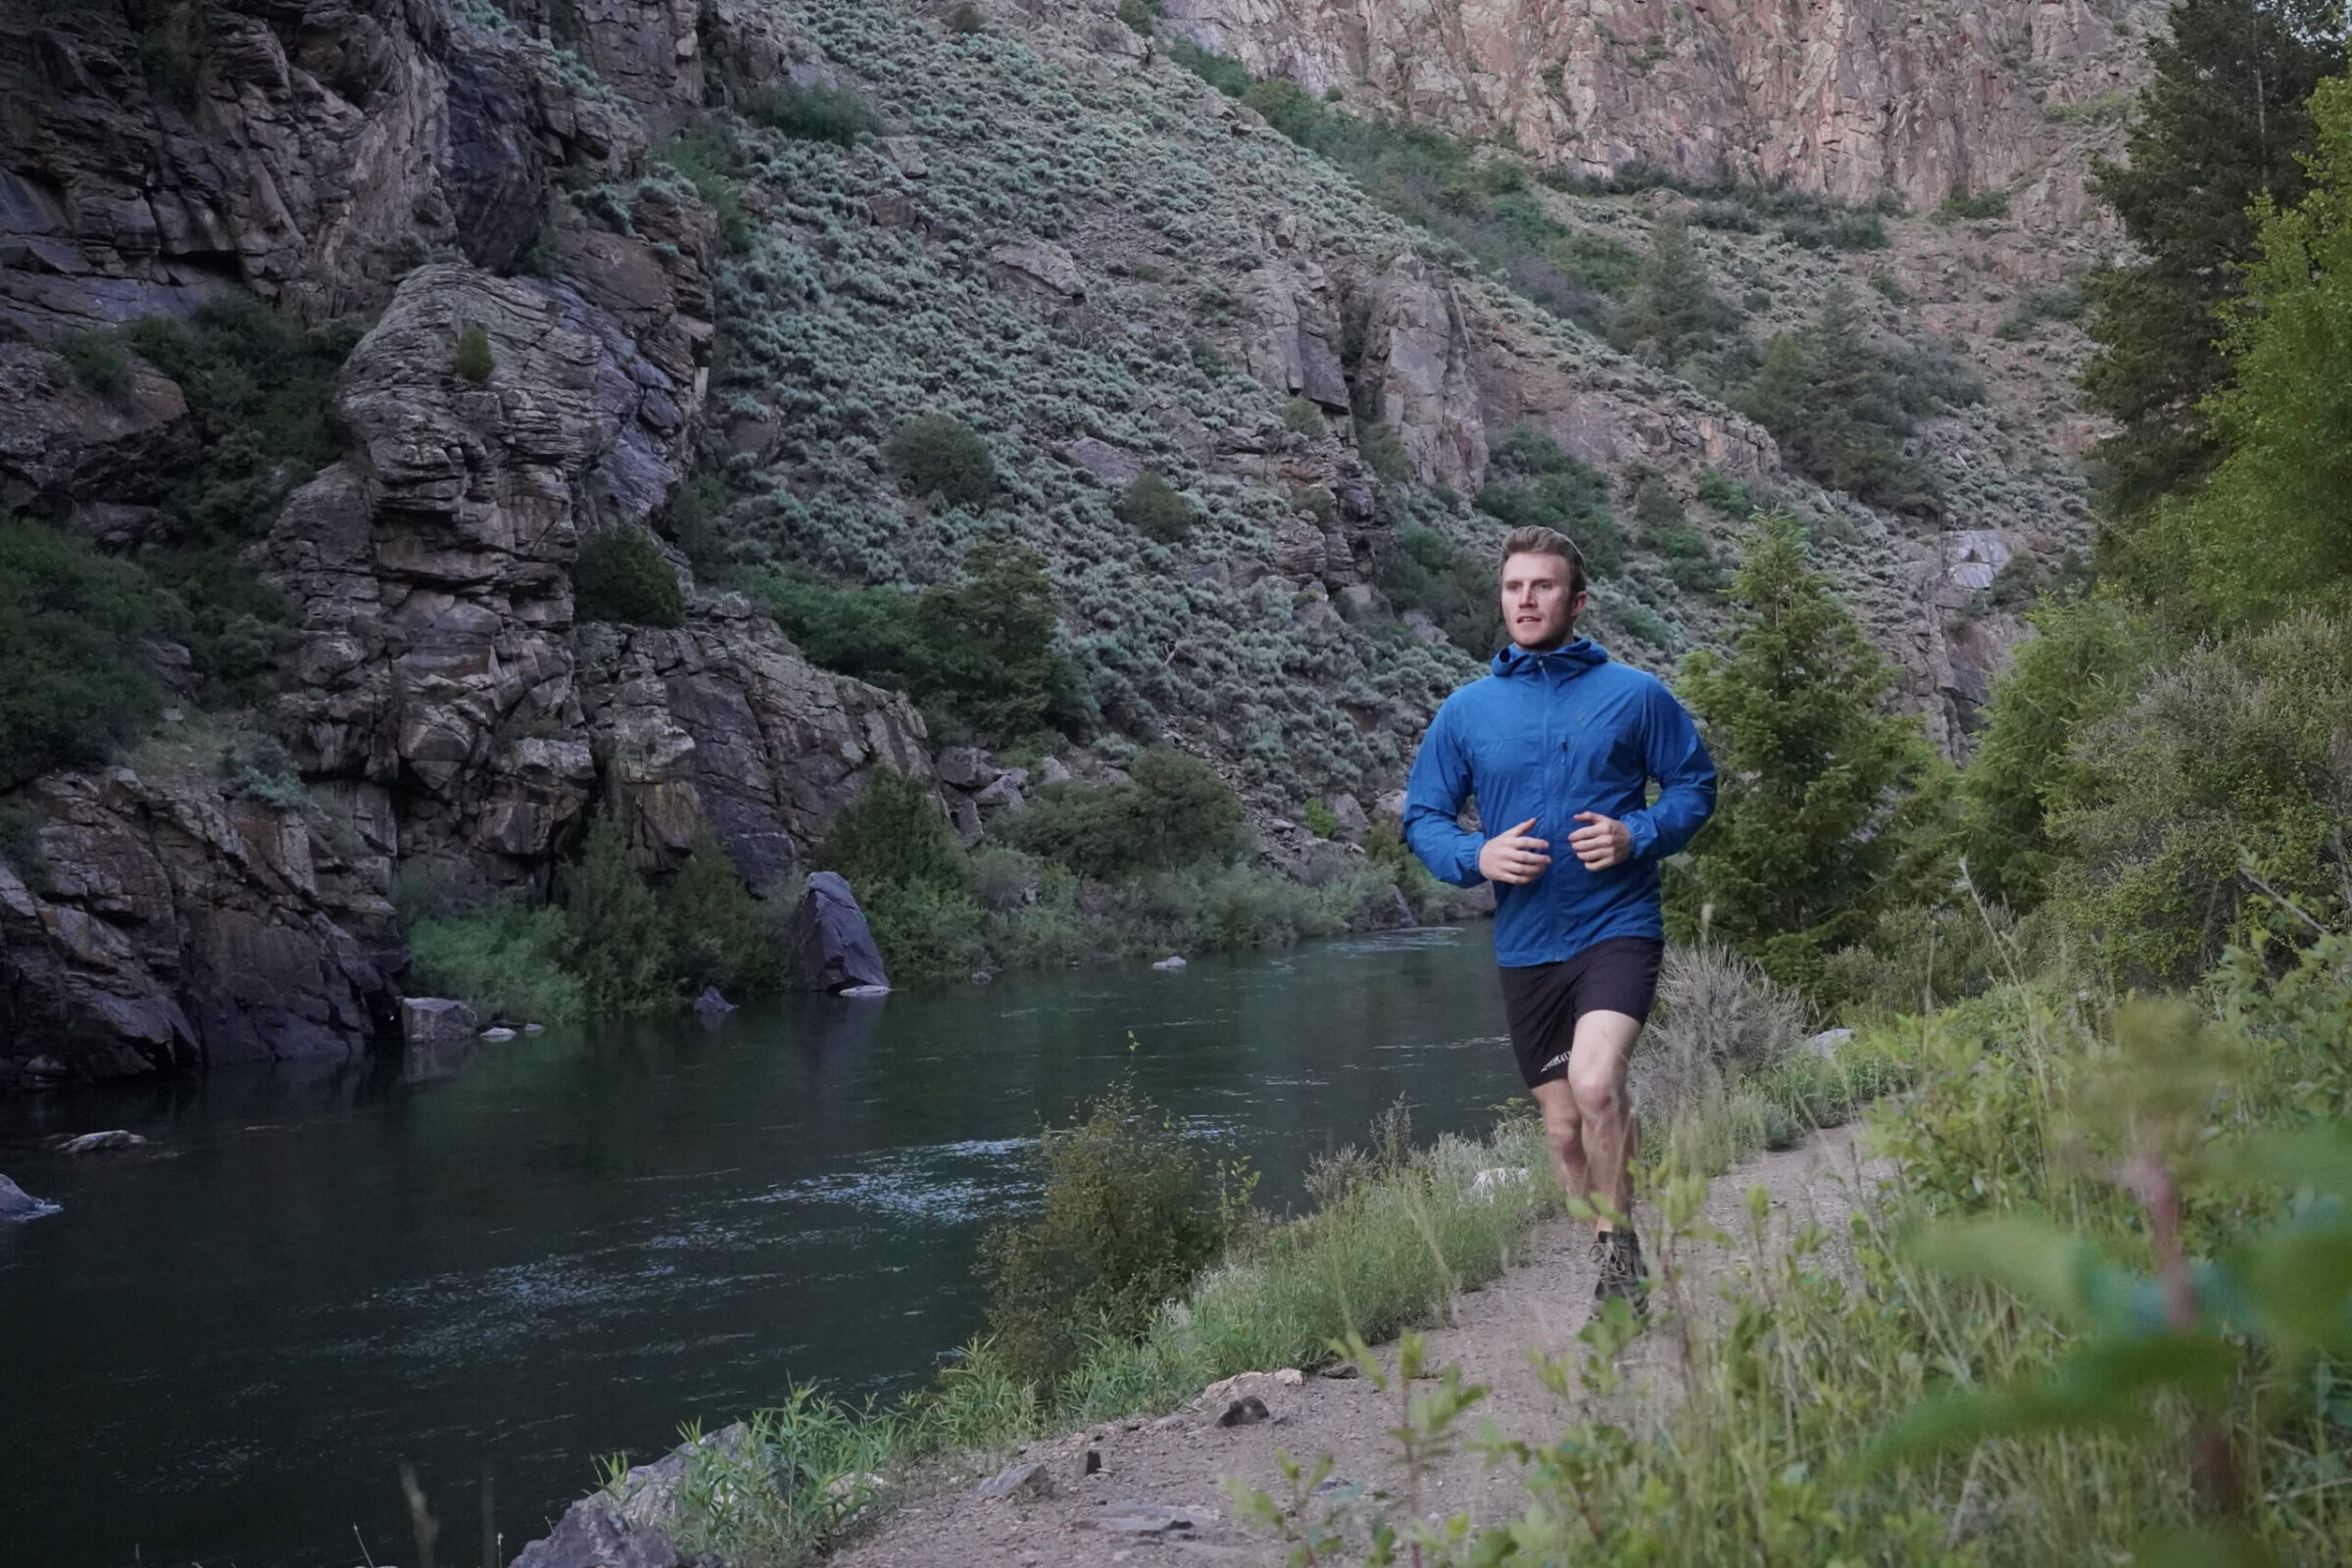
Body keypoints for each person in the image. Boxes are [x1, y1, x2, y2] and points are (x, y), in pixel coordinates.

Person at [1402, 524, 1717, 1308]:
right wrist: (1475, 857)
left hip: (1617, 925)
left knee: (1598, 1082)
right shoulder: (1467, 712)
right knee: (1563, 1131)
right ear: (1501, 599)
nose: (1527, 600)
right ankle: (1618, 1254)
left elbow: (1693, 788)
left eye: (1543, 587)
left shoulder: (1636, 696)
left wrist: (1636, 832)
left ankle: (1618, 1277)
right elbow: (1423, 817)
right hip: (1526, 941)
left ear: (1577, 600)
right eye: (1514, 587)